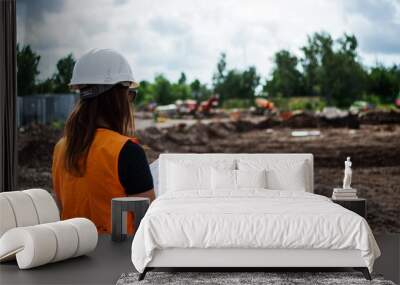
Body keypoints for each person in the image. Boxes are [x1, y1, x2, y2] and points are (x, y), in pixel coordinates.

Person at [52, 48, 155, 233]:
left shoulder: (61, 148)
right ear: (118, 97)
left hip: (74, 252)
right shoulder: (127, 151)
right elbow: (147, 222)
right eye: (129, 94)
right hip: (120, 256)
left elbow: (62, 206)